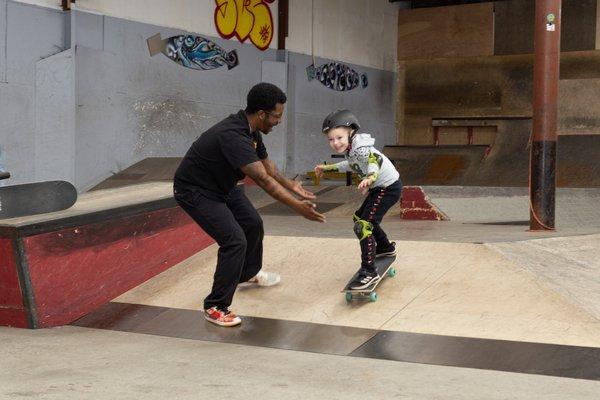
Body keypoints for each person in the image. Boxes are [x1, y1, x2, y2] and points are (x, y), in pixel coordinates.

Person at [174, 82, 326, 327]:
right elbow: (263, 180)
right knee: (234, 241)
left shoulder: (251, 130)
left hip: (222, 186)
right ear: (262, 114)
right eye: (277, 116)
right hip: (196, 191)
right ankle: (215, 306)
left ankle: (247, 273)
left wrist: (291, 185)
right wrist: (296, 206)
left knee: (252, 224)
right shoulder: (233, 136)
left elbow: (269, 167)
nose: (279, 121)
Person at [314, 109, 401, 290]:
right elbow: (351, 165)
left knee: (363, 225)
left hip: (388, 188)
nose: (335, 143)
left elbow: (373, 161)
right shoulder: (352, 149)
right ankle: (385, 247)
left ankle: (369, 272)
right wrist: (327, 168)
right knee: (360, 217)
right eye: (331, 139)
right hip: (380, 188)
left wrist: (370, 177)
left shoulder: (361, 148)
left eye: (339, 138)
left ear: (351, 132)